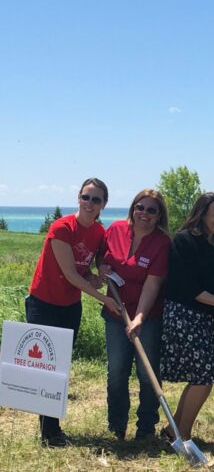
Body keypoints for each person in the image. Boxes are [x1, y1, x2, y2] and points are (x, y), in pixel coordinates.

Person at [26, 177, 119, 446]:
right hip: (43, 303)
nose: (90, 203)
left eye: (96, 199)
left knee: (60, 366)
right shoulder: (61, 228)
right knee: (45, 366)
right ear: (78, 198)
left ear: (104, 204)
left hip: (70, 306)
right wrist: (103, 298)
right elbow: (69, 273)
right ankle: (49, 431)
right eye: (86, 197)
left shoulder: (99, 232)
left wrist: (99, 271)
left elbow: (92, 263)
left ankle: (52, 427)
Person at [160, 192, 214, 442]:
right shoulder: (184, 241)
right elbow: (191, 289)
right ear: (202, 214)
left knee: (203, 377)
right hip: (185, 315)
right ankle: (183, 434)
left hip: (209, 317)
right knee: (204, 378)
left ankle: (173, 430)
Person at [100, 189, 171, 441]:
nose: (144, 213)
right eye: (140, 207)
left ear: (159, 215)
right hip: (115, 312)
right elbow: (100, 258)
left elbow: (153, 285)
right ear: (133, 208)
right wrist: (101, 267)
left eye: (152, 210)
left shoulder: (162, 243)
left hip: (148, 316)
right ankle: (116, 426)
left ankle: (146, 428)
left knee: (146, 371)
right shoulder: (115, 229)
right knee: (117, 371)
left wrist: (139, 318)